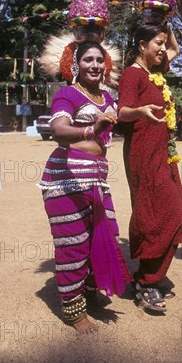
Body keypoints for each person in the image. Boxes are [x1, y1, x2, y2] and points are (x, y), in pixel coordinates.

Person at [39, 41, 131, 333]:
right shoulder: (67, 94)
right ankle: (73, 310)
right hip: (67, 180)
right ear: (76, 65)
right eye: (88, 59)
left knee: (104, 238)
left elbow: (122, 119)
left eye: (99, 60)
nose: (95, 65)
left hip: (96, 181)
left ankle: (87, 293)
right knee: (74, 245)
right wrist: (92, 129)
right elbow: (58, 130)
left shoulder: (107, 97)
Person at [117, 24, 182, 313]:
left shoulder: (156, 73)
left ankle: (152, 276)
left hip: (164, 153)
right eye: (156, 43)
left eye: (162, 43)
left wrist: (167, 22)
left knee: (174, 213)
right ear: (141, 44)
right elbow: (122, 110)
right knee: (152, 213)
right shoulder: (132, 74)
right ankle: (146, 283)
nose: (162, 49)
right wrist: (140, 111)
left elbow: (175, 48)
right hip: (143, 153)